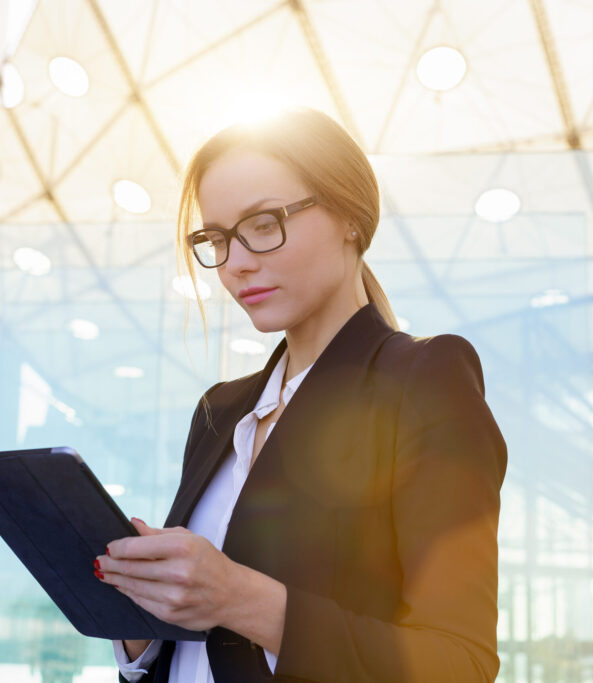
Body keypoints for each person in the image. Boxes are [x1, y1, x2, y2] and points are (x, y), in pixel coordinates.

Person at [93, 107, 507, 682]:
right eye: (216, 239)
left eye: (264, 224)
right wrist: (143, 621)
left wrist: (240, 599)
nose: (235, 264)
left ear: (351, 219)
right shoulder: (221, 409)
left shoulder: (422, 379)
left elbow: (459, 663)